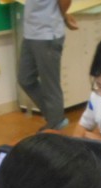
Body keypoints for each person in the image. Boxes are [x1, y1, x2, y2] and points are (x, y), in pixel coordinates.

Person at [18, 0, 78, 131]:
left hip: (47, 35)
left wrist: (63, 16)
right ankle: (55, 118)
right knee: (25, 79)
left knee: (50, 85)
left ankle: (55, 124)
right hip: (30, 33)